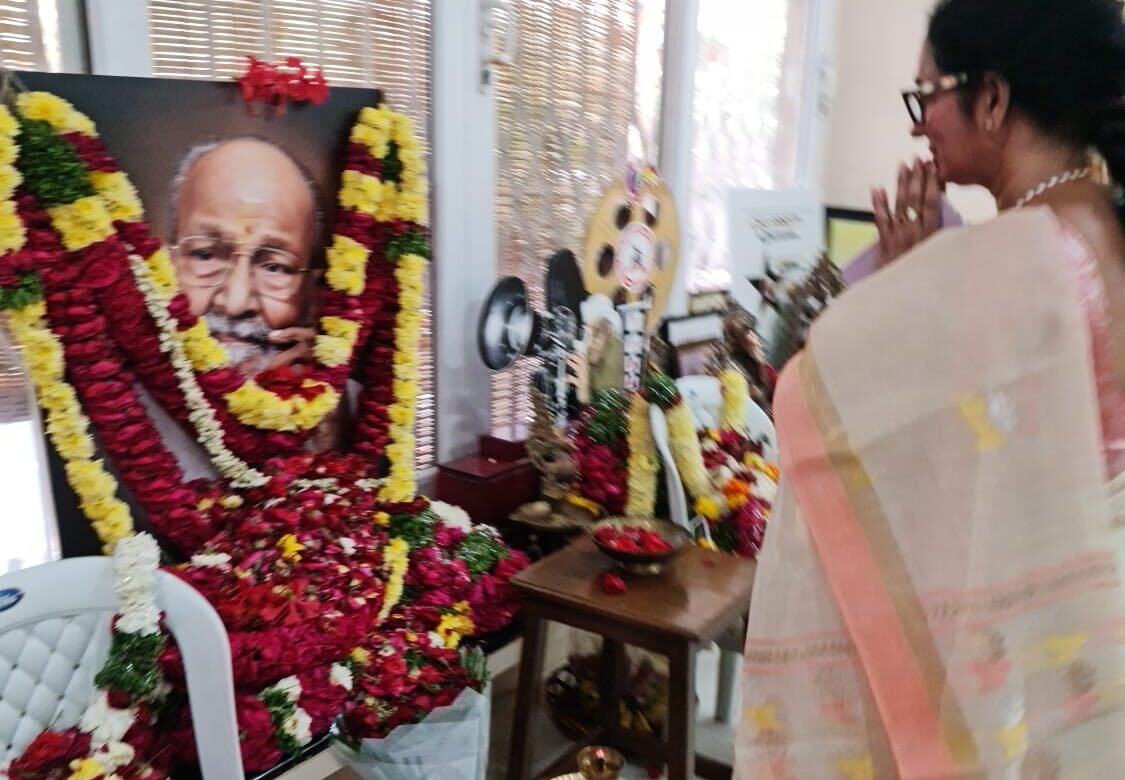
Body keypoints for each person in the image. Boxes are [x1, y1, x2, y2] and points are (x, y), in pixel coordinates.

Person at [735, 1, 1124, 778]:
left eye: (926, 95)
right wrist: (920, 284)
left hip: (1036, 630)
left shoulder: (1023, 253)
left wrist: (904, 284)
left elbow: (821, 390)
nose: (918, 127)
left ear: (992, 98)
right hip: (1087, 614)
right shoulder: (1095, 218)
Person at [169, 137, 324, 377]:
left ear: (311, 291)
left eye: (273, 267)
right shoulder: (110, 388)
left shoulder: (349, 398)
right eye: (206, 255)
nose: (236, 304)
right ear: (167, 262)